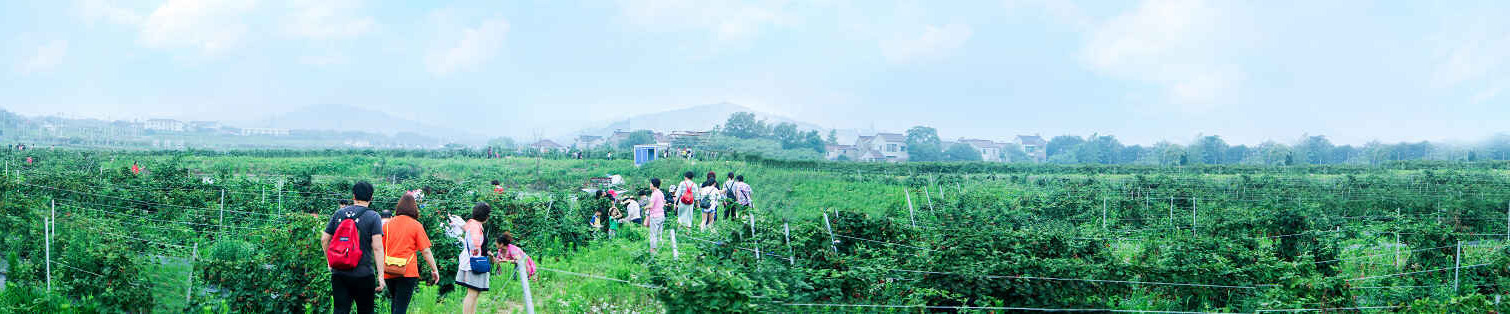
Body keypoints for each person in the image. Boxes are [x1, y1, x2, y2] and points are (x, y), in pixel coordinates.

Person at [322, 182, 386, 314]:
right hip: (363, 273)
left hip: (339, 272)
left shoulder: (339, 213)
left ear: (353, 196)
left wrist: (330, 261)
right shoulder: (374, 216)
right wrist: (380, 275)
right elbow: (378, 248)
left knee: (340, 310)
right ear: (371, 197)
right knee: (366, 311)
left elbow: (324, 239)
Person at [382, 194, 440, 314]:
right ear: (414, 208)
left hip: (388, 270)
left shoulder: (386, 225)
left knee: (396, 304)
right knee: (401, 307)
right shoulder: (416, 225)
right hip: (408, 272)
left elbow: (379, 248)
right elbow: (426, 251)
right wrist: (434, 269)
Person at [456, 202, 492, 314]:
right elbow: (474, 245)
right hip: (474, 263)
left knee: (475, 293)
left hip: (473, 261)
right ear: (485, 216)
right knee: (472, 293)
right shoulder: (475, 227)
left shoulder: (473, 224)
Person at [645, 178, 667, 254]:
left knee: (653, 234)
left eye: (651, 183)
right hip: (661, 215)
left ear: (654, 185)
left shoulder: (654, 194)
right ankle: (660, 249)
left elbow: (651, 205)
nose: (650, 185)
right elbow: (663, 203)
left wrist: (645, 207)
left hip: (655, 216)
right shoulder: (661, 193)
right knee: (659, 234)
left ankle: (653, 251)